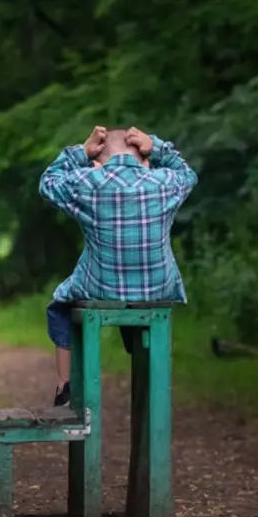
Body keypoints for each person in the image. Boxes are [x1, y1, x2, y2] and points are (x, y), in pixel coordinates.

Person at [38, 126, 198, 407]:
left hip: (101, 285)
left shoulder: (87, 181)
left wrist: (80, 152)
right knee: (138, 302)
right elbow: (189, 175)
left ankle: (65, 386)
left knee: (60, 305)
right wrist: (157, 147)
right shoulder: (164, 182)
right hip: (157, 288)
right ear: (146, 162)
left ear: (97, 163)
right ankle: (146, 364)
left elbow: (47, 183)